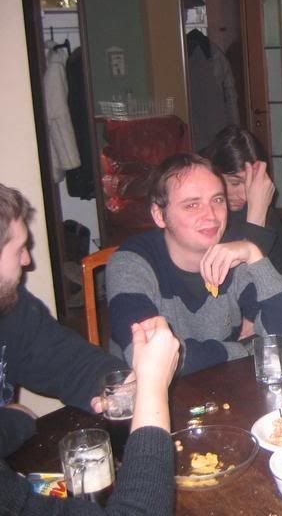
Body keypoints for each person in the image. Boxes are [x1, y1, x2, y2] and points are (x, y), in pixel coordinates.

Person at [0, 183, 180, 514]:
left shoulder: (9, 307)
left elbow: (65, 360)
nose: (27, 260)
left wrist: (127, 386)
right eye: (19, 249)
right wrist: (152, 390)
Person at [107, 153, 282, 375]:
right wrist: (238, 350)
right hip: (145, 391)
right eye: (192, 205)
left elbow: (279, 337)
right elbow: (150, 356)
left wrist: (253, 254)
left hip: (221, 384)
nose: (211, 216)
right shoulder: (131, 263)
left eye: (217, 200)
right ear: (159, 215)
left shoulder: (230, 255)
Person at [201, 124, 282, 284]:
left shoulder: (266, 214)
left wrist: (258, 213)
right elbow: (235, 285)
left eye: (251, 183)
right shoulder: (204, 216)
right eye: (235, 182)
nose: (245, 195)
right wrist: (256, 219)